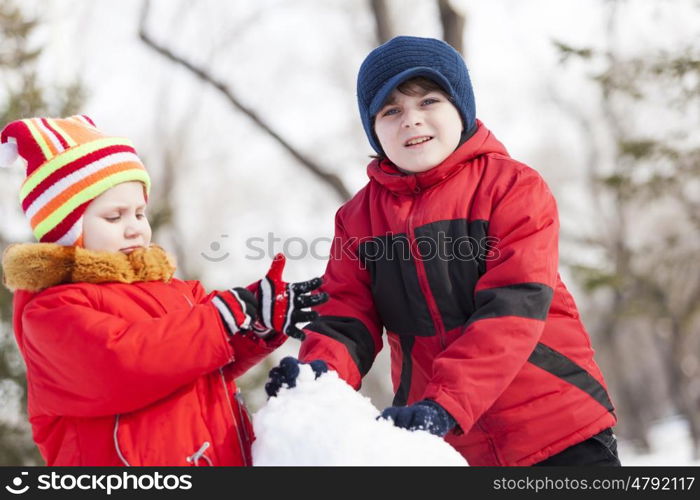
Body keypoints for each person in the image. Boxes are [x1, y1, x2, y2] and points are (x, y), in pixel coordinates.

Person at [265, 36, 620, 466]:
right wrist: (318, 378)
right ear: (373, 128)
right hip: (447, 449)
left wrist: (446, 404)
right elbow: (345, 317)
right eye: (391, 110)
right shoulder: (357, 220)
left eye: (428, 101)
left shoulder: (511, 188)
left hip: (556, 429)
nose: (410, 120)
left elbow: (513, 307)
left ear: (460, 108)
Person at [0, 114, 327, 466]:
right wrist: (222, 319)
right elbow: (122, 362)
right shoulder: (51, 309)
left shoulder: (177, 292)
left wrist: (256, 319)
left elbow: (205, 355)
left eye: (140, 214)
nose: (134, 229)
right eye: (115, 217)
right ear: (67, 230)